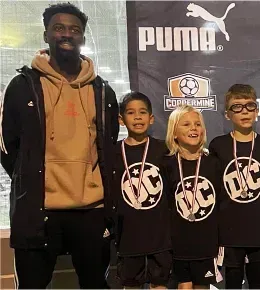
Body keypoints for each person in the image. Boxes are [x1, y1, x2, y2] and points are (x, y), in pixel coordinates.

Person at [0, 3, 118, 288]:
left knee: (95, 284)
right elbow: (8, 147)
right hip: (39, 211)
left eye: (74, 29)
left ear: (83, 38)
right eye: (59, 28)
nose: (67, 34)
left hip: (91, 211)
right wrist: (32, 179)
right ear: (46, 35)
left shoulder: (102, 91)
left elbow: (109, 144)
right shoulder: (22, 86)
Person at [209, 84, 260, 289]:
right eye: (236, 107)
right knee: (233, 281)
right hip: (229, 230)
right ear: (227, 114)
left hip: (256, 229)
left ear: (257, 111)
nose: (244, 111)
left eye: (249, 106)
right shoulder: (218, 145)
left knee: (257, 281)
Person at [113, 92, 171, 289]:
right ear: (121, 120)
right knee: (131, 285)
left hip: (160, 237)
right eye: (131, 112)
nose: (137, 117)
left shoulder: (164, 149)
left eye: (142, 112)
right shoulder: (113, 152)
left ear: (151, 118)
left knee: (160, 285)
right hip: (129, 238)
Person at [163, 105, 222, 289]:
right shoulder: (167, 164)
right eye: (186, 124)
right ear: (173, 133)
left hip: (206, 243)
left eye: (197, 124)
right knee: (184, 286)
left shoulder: (213, 163)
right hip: (178, 242)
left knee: (202, 286)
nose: (193, 128)